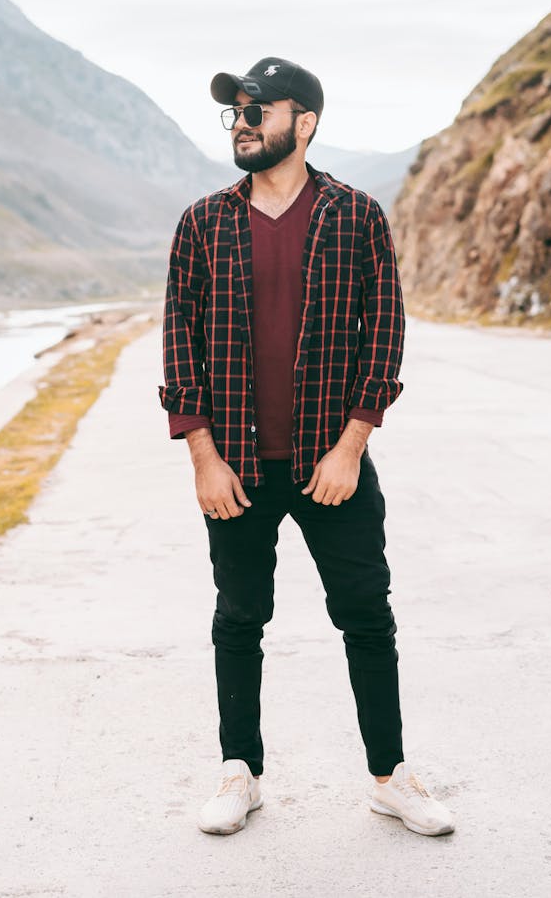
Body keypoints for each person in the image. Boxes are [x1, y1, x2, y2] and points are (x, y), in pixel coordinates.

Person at [158, 57, 454, 838]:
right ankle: (239, 772)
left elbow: (383, 337)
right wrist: (203, 456)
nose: (244, 121)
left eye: (259, 108)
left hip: (332, 461)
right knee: (238, 618)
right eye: (237, 112)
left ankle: (390, 777)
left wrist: (352, 445)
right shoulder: (203, 222)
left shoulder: (357, 216)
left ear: (306, 122)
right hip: (238, 469)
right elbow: (178, 346)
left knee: (366, 617)